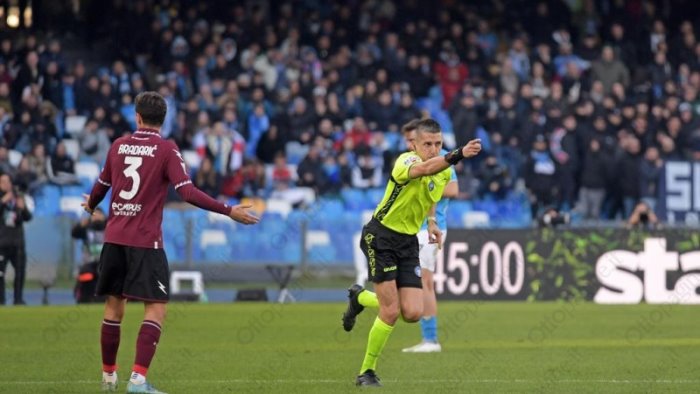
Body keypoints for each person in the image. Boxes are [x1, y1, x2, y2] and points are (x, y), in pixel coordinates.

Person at [81, 91, 260, 393]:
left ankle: (108, 378)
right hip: (144, 242)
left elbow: (101, 185)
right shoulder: (166, 149)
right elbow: (187, 192)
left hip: (114, 239)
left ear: (137, 117)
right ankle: (137, 381)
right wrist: (228, 210)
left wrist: (91, 206)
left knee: (113, 308)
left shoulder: (118, 146)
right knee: (156, 309)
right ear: (164, 120)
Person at [341, 118, 481, 386]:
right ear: (414, 144)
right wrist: (458, 154)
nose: (433, 149)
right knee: (391, 311)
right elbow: (424, 170)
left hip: (407, 242)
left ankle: (359, 299)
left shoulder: (441, 171)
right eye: (427, 144)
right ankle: (366, 372)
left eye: (438, 144)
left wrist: (431, 222)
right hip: (380, 235)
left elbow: (430, 196)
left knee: (413, 312)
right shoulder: (406, 161)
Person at [402, 126, 459, 353]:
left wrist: (428, 183)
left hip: (431, 229)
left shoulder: (441, 161)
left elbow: (454, 190)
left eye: (411, 139)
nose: (408, 144)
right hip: (413, 228)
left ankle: (431, 339)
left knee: (425, 282)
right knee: (411, 282)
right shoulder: (410, 161)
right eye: (406, 140)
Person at [0, 173, 31, 305]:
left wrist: (22, 208)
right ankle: (1, 300)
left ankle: (18, 299)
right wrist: (3, 201)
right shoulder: (2, 199)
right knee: (0, 274)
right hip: (1, 243)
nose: (6, 184)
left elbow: (28, 217)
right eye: (3, 182)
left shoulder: (18, 197)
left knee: (20, 273)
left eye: (8, 181)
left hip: (17, 242)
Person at [71, 207, 107, 303]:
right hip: (89, 262)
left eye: (99, 214)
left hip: (105, 262)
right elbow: (74, 233)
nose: (97, 217)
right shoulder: (87, 228)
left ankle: (103, 299)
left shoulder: (110, 228)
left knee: (106, 275)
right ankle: (84, 298)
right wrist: (81, 225)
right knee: (86, 274)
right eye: (95, 215)